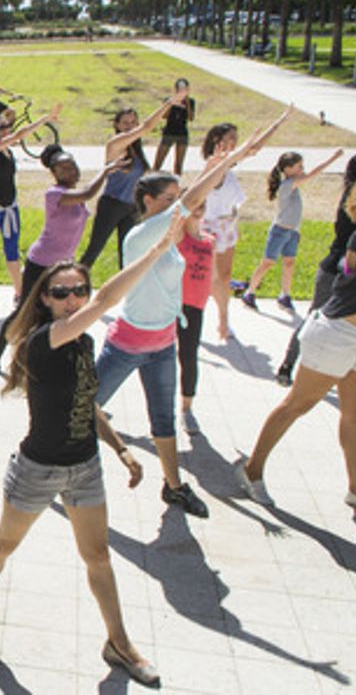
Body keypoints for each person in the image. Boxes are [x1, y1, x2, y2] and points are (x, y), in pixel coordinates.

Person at [0, 220, 187, 688]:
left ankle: (119, 643)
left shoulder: (81, 342)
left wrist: (120, 449)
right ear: (44, 299)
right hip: (38, 468)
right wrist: (158, 248)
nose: (73, 299)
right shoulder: (44, 341)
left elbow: (87, 399)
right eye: (61, 293)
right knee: (2, 546)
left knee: (98, 557)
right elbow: (107, 302)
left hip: (85, 469)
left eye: (79, 291)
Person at [95, 140, 270, 519]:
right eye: (170, 198)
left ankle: (174, 487)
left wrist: (220, 167)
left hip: (162, 342)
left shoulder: (173, 237)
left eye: (179, 196)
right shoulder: (141, 236)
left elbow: (197, 224)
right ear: (149, 202)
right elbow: (191, 202)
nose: (180, 205)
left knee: (163, 418)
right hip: (128, 343)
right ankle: (38, 453)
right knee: (80, 406)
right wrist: (224, 166)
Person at [239, 178, 356, 508]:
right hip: (335, 335)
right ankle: (251, 470)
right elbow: (348, 272)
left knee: (355, 415)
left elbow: (348, 270)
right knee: (298, 404)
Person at [0, 145, 128, 376]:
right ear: (54, 174)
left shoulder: (74, 194)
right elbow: (89, 194)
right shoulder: (55, 194)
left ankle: (46, 362)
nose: (71, 171)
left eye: (72, 166)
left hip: (62, 266)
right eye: (63, 169)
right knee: (23, 310)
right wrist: (106, 171)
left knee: (57, 313)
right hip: (41, 262)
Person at [200, 111, 292, 341]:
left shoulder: (228, 164)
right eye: (231, 137)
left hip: (228, 224)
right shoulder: (215, 164)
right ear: (217, 140)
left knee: (224, 275)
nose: (235, 142)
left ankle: (223, 320)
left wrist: (277, 123)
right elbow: (249, 150)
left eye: (236, 138)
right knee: (209, 277)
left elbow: (254, 148)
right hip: (212, 227)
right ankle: (202, 318)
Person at [276, 154, 356, 386]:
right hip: (338, 272)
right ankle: (289, 364)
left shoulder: (350, 198)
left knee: (318, 318)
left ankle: (291, 366)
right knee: (316, 317)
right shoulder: (353, 203)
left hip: (338, 270)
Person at [79, 97, 180, 269]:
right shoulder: (115, 144)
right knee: (94, 249)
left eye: (134, 122)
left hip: (132, 207)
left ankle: (125, 292)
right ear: (117, 125)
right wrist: (170, 103)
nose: (131, 126)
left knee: (127, 253)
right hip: (112, 205)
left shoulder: (136, 149)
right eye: (126, 123)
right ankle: (74, 285)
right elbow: (147, 127)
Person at [0, 105, 62, 299]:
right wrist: (44, 119)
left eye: (6, 126)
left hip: (10, 207)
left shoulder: (7, 151)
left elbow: (14, 137)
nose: (5, 130)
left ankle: (20, 291)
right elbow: (19, 135)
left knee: (12, 251)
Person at [242, 148, 345, 311]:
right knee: (268, 263)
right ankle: (250, 292)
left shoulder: (294, 187)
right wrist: (332, 158)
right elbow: (313, 174)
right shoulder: (287, 185)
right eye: (299, 167)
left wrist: (297, 231)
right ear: (288, 169)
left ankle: (285, 295)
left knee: (289, 263)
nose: (302, 170)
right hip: (280, 231)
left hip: (292, 232)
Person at [177, 204, 214, 433]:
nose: (198, 209)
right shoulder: (177, 235)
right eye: (194, 205)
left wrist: (223, 315)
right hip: (172, 304)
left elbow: (215, 276)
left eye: (203, 205)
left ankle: (186, 408)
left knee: (189, 356)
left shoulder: (210, 240)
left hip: (195, 307)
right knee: (146, 353)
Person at [152, 78, 195, 175]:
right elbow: (164, 116)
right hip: (169, 132)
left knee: (179, 165)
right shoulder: (169, 100)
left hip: (182, 133)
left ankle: (177, 183)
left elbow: (191, 117)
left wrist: (186, 102)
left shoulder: (190, 101)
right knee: (158, 162)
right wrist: (172, 103)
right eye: (179, 88)